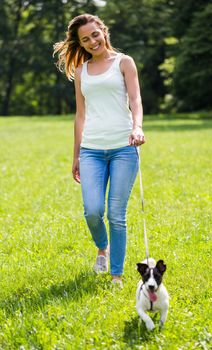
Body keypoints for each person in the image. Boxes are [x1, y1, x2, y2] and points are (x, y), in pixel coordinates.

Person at [53, 13, 145, 286]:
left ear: (103, 31)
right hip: (92, 149)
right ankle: (102, 248)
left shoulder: (124, 62)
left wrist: (137, 127)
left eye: (95, 34)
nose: (92, 41)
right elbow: (80, 115)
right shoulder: (81, 72)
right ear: (80, 44)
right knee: (92, 211)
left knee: (116, 214)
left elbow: (136, 98)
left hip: (123, 148)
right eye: (85, 39)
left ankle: (116, 275)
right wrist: (76, 155)